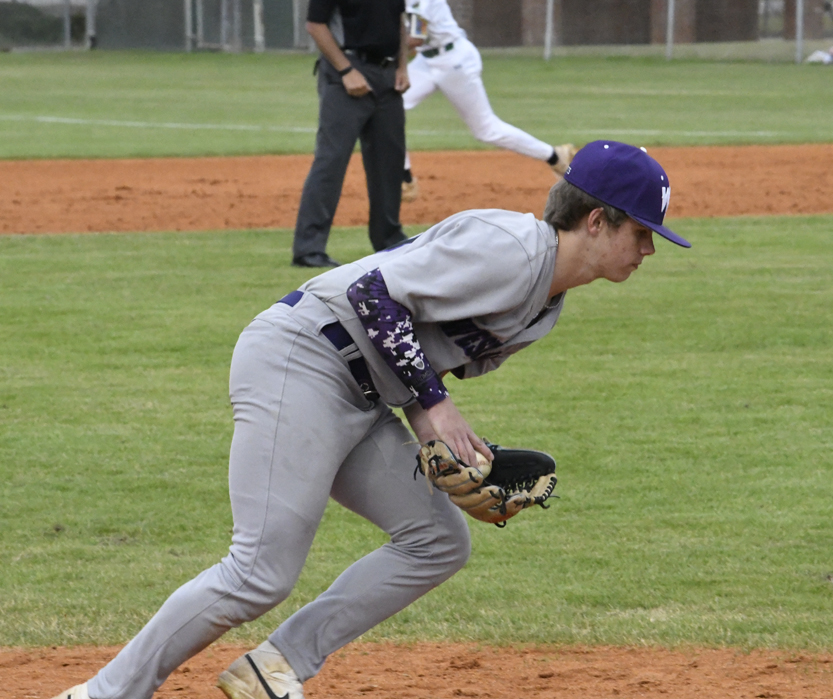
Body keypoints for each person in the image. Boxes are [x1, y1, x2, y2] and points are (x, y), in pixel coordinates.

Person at [50, 141, 690, 699]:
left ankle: (272, 668)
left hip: (359, 393)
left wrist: (449, 438)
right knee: (259, 572)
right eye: (642, 232)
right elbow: (370, 294)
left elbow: (415, 343)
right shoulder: (514, 249)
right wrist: (435, 407)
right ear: (599, 221)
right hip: (300, 359)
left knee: (437, 541)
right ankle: (106, 693)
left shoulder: (545, 307)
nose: (648, 251)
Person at [400, 0, 577, 202]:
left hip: (454, 61)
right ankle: (404, 178)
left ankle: (554, 155)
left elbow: (415, 38)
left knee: (486, 129)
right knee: (391, 105)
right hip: (426, 61)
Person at [290, 0, 411, 269]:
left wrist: (402, 66)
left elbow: (399, 23)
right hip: (347, 73)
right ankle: (309, 248)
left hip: (388, 76)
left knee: (389, 161)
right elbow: (315, 25)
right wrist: (346, 70)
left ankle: (389, 240)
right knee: (331, 161)